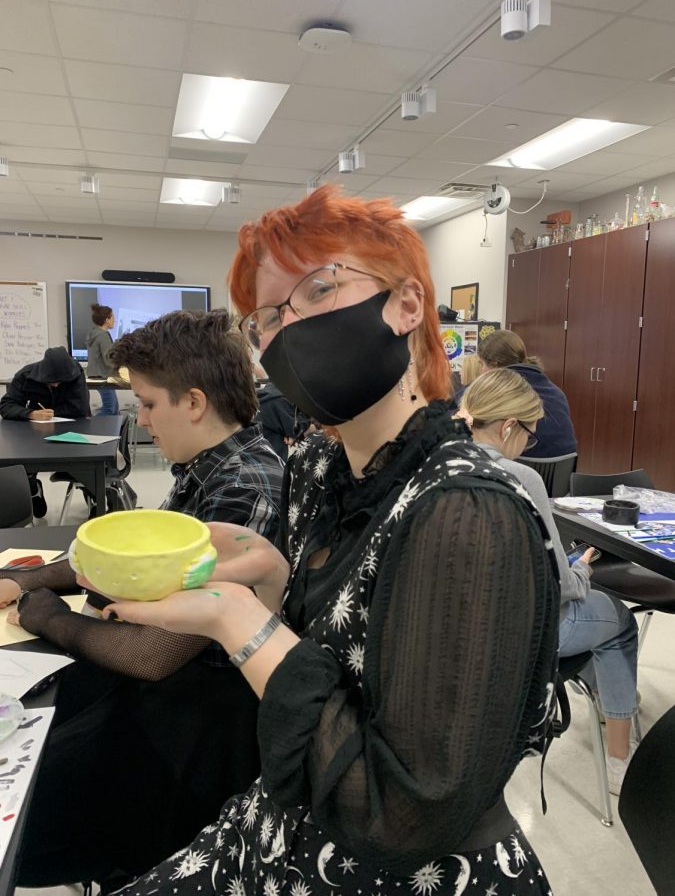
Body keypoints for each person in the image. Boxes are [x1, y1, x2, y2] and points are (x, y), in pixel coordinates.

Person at [90, 186, 561, 895]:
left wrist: (237, 619)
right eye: (268, 318)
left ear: (406, 306)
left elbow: (404, 818)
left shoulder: (465, 512)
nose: (288, 329)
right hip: (283, 818)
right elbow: (331, 665)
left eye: (317, 288)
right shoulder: (317, 464)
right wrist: (276, 581)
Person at [0, 309, 284, 889]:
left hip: (199, 719)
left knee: (39, 797)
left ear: (195, 403)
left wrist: (44, 613)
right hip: (164, 695)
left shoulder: (246, 488)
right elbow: (126, 565)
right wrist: (28, 580)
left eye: (150, 404)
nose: (143, 421)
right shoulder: (206, 467)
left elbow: (157, 654)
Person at [461, 368, 638, 794]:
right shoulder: (521, 479)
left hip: (468, 627)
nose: (529, 445)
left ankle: (609, 702)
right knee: (619, 622)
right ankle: (618, 757)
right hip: (524, 631)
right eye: (529, 435)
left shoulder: (444, 462)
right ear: (507, 427)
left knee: (600, 614)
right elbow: (561, 583)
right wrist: (582, 568)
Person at [0, 345, 90, 517]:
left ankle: (94, 497)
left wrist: (52, 413)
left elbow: (80, 407)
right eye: (52, 381)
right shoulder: (25, 376)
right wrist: (30, 413)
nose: (56, 384)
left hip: (74, 431)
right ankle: (33, 490)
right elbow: (6, 406)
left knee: (88, 465)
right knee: (18, 462)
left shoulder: (75, 372)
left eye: (60, 381)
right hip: (35, 435)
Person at [478, 329, 576, 459]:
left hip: (516, 471)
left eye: (482, 364)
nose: (480, 371)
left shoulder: (497, 393)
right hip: (561, 473)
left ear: (495, 366)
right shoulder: (556, 392)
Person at [86, 303, 119, 415]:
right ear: (106, 319)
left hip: (96, 375)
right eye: (113, 317)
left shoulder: (94, 333)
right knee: (110, 409)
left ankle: (112, 431)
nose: (114, 320)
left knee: (114, 408)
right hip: (102, 377)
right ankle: (92, 427)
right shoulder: (103, 335)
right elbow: (109, 359)